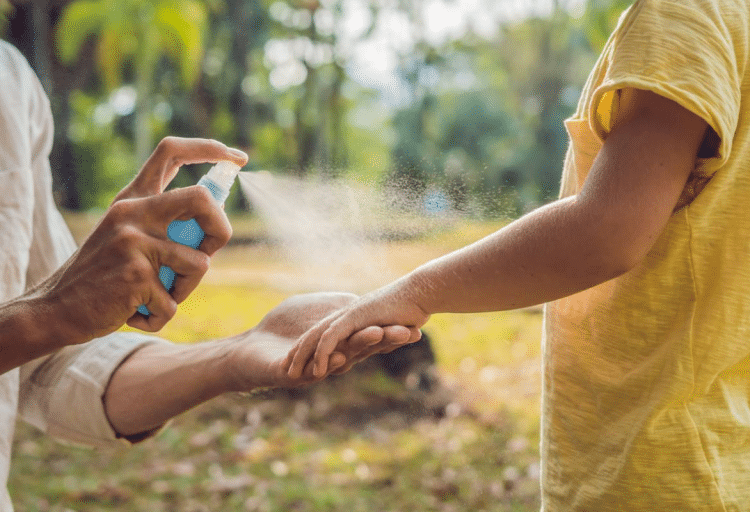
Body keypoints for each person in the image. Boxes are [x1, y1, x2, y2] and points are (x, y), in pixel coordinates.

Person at [285, 0, 750, 509]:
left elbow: (608, 229)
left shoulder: (685, 11)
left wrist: (416, 292)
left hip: (660, 461)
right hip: (721, 443)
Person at [0, 21, 420, 512]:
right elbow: (41, 323)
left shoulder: (10, 87)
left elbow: (48, 364)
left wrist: (233, 356)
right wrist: (51, 312)